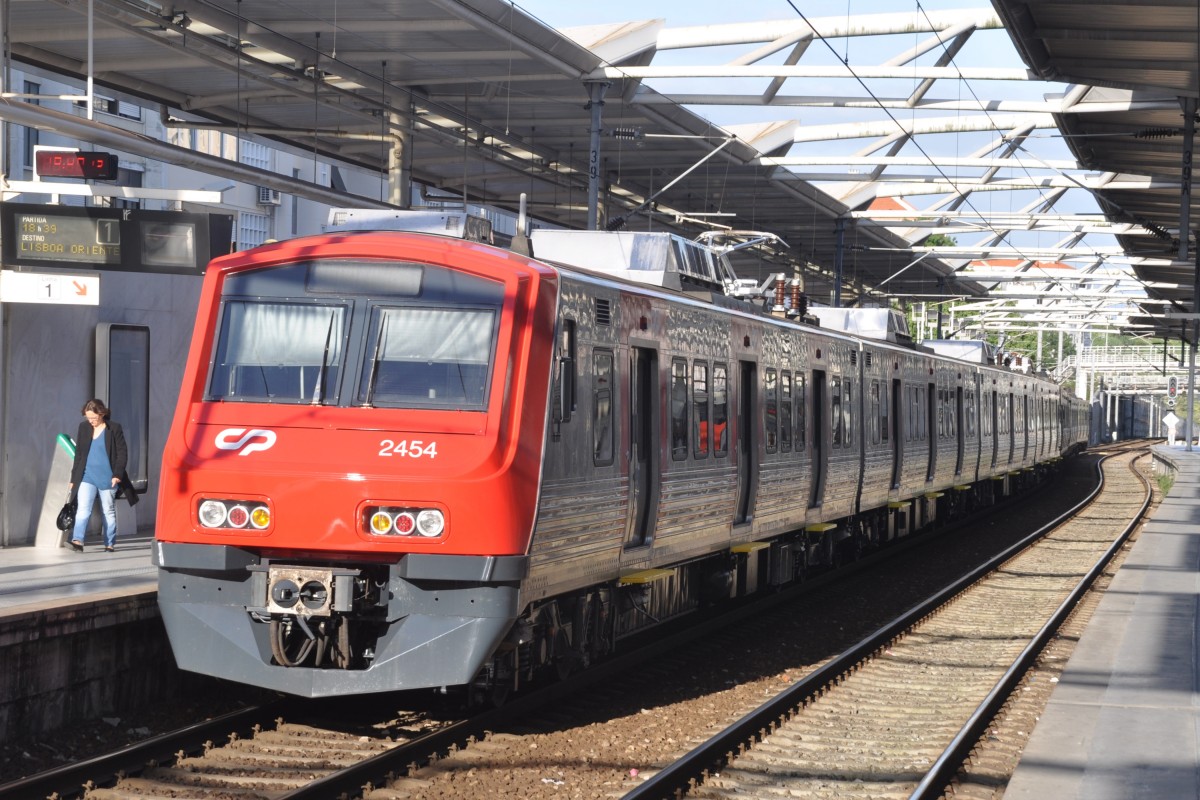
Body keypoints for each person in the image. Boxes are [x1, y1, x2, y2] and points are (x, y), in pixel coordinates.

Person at [67, 399, 138, 552]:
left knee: (108, 511)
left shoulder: (114, 428)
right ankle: (78, 540)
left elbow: (122, 453)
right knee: (83, 509)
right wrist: (74, 478)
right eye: (88, 418)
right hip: (87, 477)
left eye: (93, 417)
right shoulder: (83, 427)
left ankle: (109, 543)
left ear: (102, 413)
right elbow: (79, 454)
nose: (91, 421)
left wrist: (117, 475)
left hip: (108, 478)